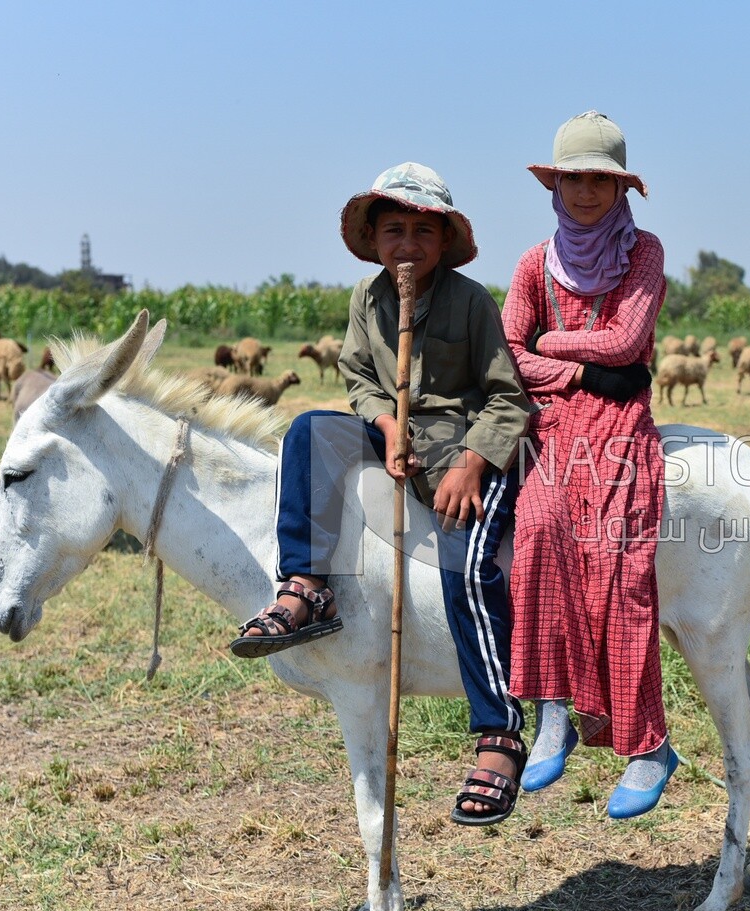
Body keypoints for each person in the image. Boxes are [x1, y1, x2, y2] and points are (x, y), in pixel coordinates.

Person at [231, 162, 533, 827]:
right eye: (393, 230)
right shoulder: (367, 301)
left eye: (423, 232)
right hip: (399, 436)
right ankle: (307, 584)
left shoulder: (470, 300)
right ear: (372, 238)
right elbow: (359, 378)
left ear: (444, 241)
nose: (407, 245)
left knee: (467, 566)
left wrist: (472, 465)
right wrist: (386, 423)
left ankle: (500, 731)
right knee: (310, 431)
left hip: (466, 447)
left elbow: (510, 397)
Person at [502, 112, 676, 819]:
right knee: (538, 530)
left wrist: (554, 341)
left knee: (619, 561)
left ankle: (644, 743)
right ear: (557, 182)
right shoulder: (532, 263)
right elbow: (508, 349)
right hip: (559, 421)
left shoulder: (645, 253)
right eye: (574, 177)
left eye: (600, 180)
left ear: (619, 187)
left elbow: (629, 336)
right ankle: (552, 714)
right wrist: (577, 373)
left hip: (621, 427)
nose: (585, 191)